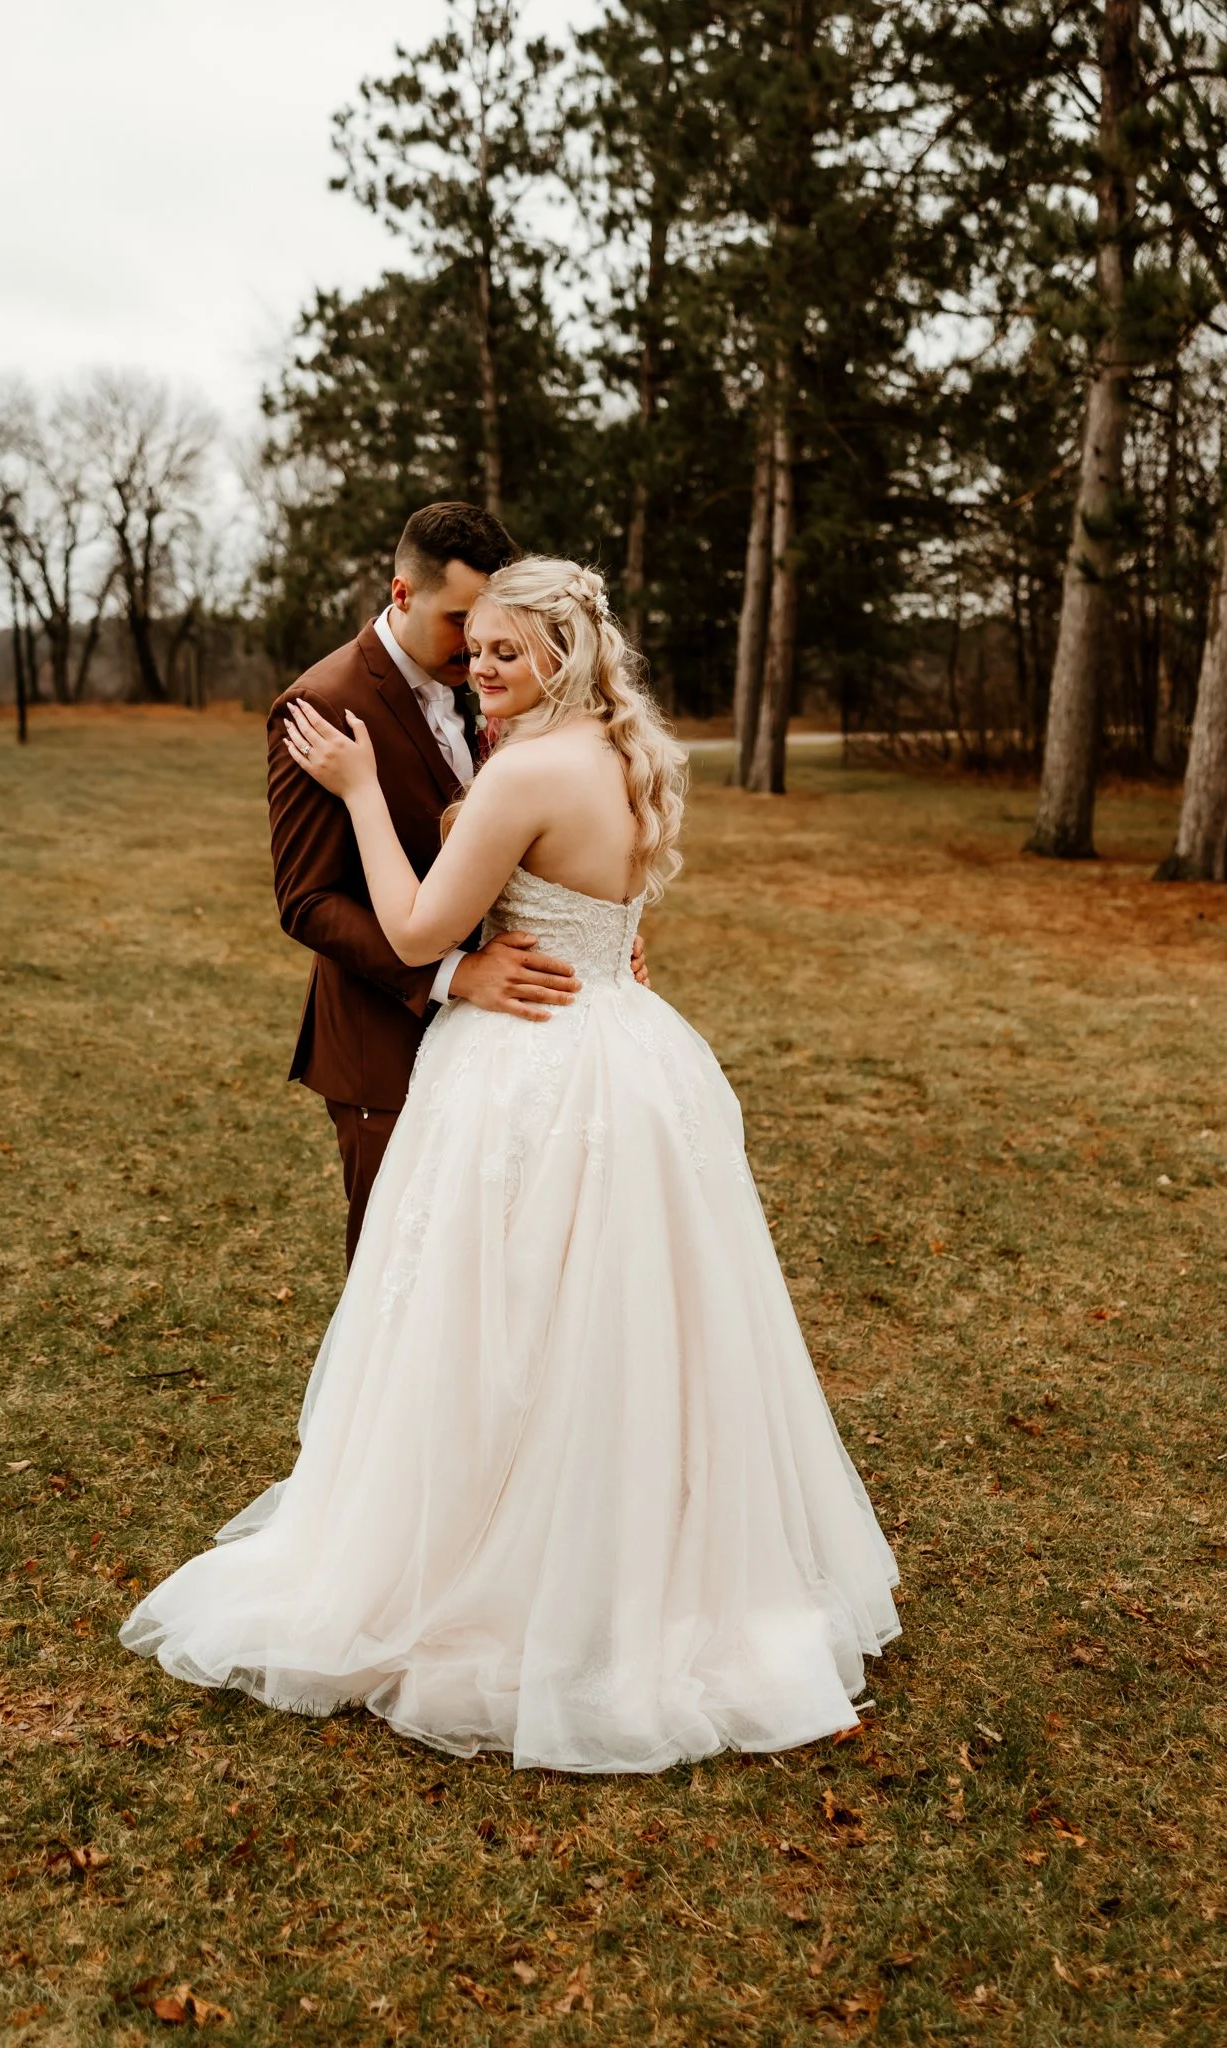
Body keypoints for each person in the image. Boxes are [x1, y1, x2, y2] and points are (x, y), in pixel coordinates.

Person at [123, 557, 900, 1774]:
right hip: (629, 1052)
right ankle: (649, 1557)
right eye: (471, 646)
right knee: (628, 1321)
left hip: (529, 1066)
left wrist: (367, 792)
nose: (480, 669)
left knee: (506, 1315)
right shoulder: (629, 751)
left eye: (506, 653)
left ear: (564, 654)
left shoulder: (528, 768)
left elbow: (421, 928)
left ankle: (502, 1568)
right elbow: (608, 918)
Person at [266, 501, 646, 1264]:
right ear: (402, 594)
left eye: (495, 638)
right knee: (404, 1277)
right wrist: (454, 974)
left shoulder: (513, 692)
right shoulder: (325, 705)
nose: (474, 659)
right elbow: (307, 900)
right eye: (460, 626)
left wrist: (607, 940)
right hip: (387, 1040)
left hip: (525, 1044)